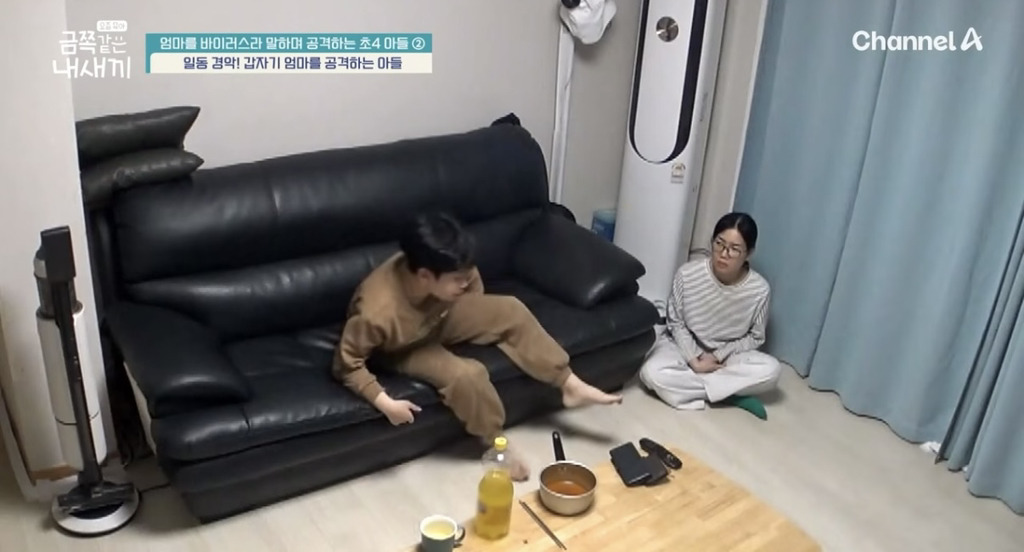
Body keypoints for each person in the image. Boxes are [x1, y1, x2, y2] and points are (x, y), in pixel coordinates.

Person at [332, 211, 623, 480]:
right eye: (457, 279)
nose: (466, 280)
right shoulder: (377, 313)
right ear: (424, 276)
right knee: (467, 376)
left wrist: (472, 303)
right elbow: (346, 365)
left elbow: (470, 278)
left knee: (510, 309)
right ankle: (496, 443)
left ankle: (569, 384)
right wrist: (385, 404)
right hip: (401, 346)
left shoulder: (446, 269)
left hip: (440, 314)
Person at [638, 212, 781, 419]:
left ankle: (693, 389)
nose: (724, 254)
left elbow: (755, 337)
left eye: (734, 249)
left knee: (771, 370)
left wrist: (717, 355)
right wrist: (693, 359)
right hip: (683, 346)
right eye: (719, 244)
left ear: (749, 253)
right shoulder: (687, 274)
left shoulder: (760, 290)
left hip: (726, 356)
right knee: (651, 373)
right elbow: (675, 322)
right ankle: (727, 392)